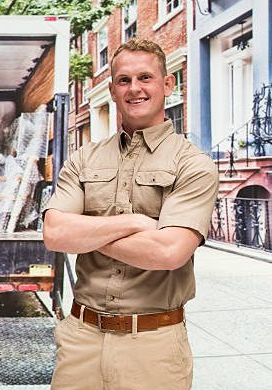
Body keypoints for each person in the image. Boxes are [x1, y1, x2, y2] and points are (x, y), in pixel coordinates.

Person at [43, 38, 219, 389]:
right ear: (111, 89)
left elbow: (168, 252)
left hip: (153, 345)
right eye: (123, 80)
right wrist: (134, 223)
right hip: (81, 339)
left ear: (167, 84)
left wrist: (87, 234)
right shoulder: (84, 159)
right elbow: (55, 234)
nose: (134, 88)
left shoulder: (193, 165)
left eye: (145, 78)